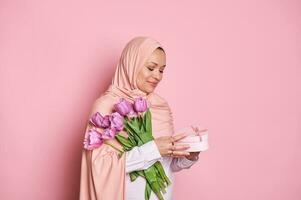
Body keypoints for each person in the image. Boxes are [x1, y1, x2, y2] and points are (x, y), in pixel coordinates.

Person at [79, 36, 200, 200]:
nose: (157, 76)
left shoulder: (160, 106)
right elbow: (100, 167)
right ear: (132, 64)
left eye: (162, 70)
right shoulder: (106, 106)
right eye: (151, 68)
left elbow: (166, 164)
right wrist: (153, 149)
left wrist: (188, 157)